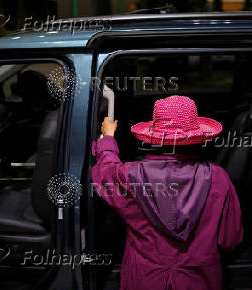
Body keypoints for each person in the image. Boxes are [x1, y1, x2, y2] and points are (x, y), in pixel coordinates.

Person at [91, 95, 243, 290]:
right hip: (200, 281)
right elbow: (230, 240)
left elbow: (106, 172)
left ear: (155, 137)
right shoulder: (219, 178)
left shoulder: (130, 176)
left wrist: (108, 139)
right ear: (196, 137)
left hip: (145, 281)